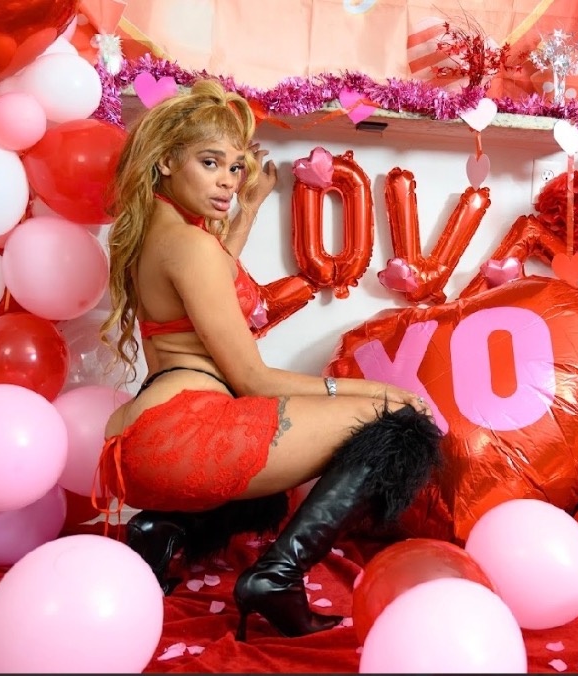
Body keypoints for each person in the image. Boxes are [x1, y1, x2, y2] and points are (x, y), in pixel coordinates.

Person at [95, 79, 442, 640]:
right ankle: (276, 577)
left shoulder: (162, 236)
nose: (228, 182)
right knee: (401, 425)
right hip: (182, 434)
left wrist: (249, 208)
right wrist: (378, 393)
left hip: (148, 435)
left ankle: (165, 528)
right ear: (165, 162)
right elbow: (252, 379)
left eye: (235, 167)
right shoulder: (190, 245)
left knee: (283, 446)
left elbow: (213, 280)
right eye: (210, 162)